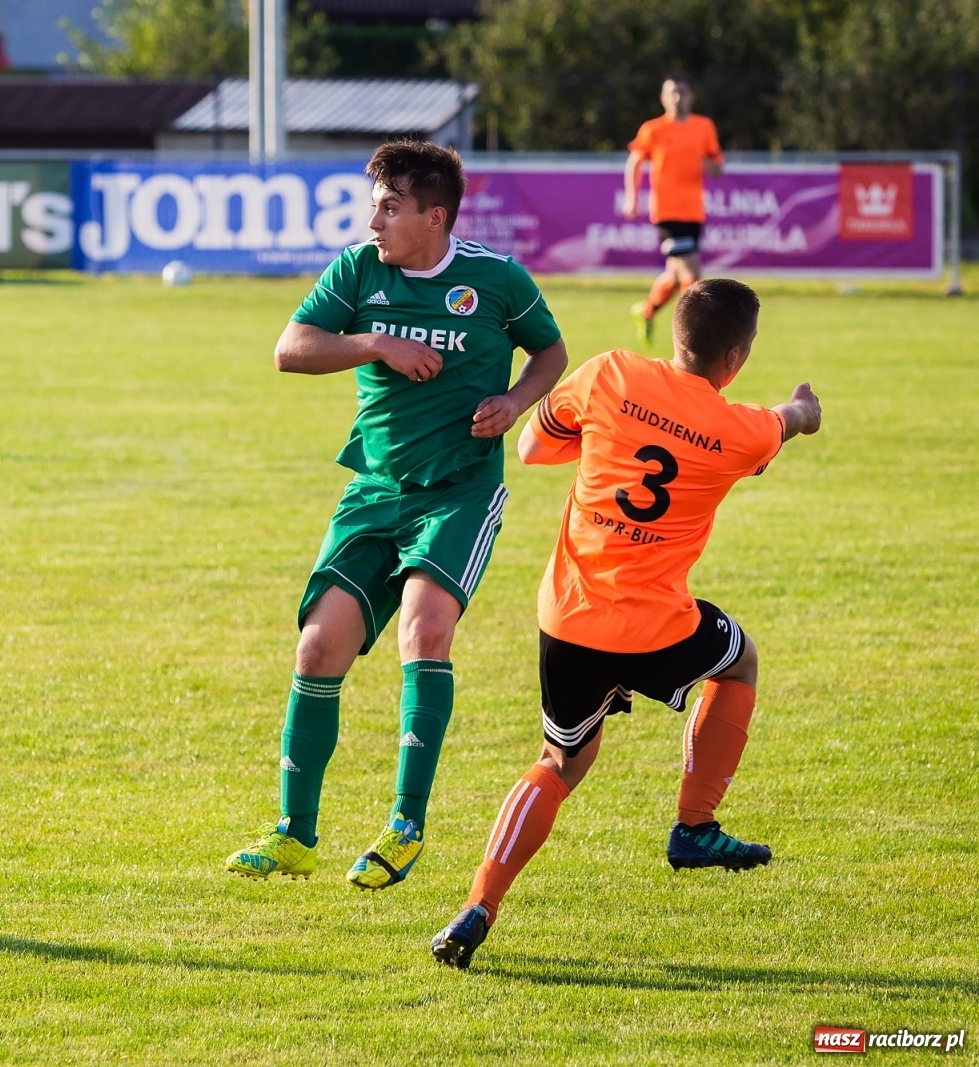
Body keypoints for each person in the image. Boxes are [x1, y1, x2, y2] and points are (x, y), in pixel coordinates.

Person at [429, 278, 822, 969]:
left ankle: (478, 904)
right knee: (740, 662)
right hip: (657, 627)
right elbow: (787, 420)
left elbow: (533, 448)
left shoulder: (610, 372)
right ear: (735, 357)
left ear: (675, 332)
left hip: (570, 618)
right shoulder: (739, 428)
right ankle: (694, 825)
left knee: (560, 761)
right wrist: (804, 407)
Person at [224, 140, 569, 891]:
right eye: (372, 203)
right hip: (375, 487)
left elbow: (550, 352)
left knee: (424, 626)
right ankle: (295, 833)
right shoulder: (358, 270)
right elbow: (290, 348)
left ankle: (405, 825)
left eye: (389, 206)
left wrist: (514, 402)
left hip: (458, 490)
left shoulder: (497, 279)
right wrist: (375, 341)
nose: (372, 219)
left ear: (434, 217)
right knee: (318, 648)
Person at [623, 78, 723, 343]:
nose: (677, 98)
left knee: (674, 273)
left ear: (691, 96)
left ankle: (646, 311)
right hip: (666, 212)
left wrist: (709, 165)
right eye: (672, 93)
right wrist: (632, 199)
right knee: (692, 273)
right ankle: (692, 334)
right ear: (663, 98)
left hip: (694, 211)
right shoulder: (653, 129)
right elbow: (634, 162)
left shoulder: (704, 127)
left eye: (682, 92)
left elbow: (717, 165)